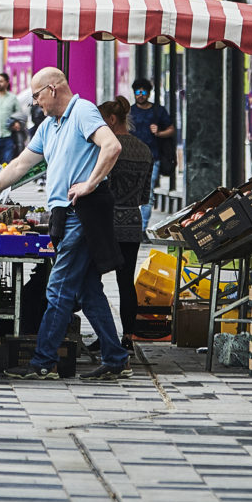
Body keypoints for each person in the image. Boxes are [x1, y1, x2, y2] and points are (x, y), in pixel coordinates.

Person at [0, 66, 129, 381]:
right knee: (88, 290)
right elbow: (19, 165)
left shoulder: (82, 111)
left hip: (82, 212)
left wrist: (90, 183)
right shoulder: (49, 126)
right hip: (63, 214)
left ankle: (42, 362)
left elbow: (112, 146)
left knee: (57, 288)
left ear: (54, 89)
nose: (35, 102)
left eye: (37, 95)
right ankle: (115, 357)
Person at [98, 98, 152, 347]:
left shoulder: (110, 148)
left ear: (111, 120)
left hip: (106, 222)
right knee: (125, 282)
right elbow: (144, 196)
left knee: (92, 279)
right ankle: (128, 337)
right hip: (132, 220)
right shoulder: (144, 150)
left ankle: (103, 335)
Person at [129, 78, 177, 194]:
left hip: (153, 158)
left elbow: (171, 130)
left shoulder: (158, 111)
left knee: (147, 192)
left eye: (144, 92)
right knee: (133, 192)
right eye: (138, 92)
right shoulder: (130, 112)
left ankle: (144, 212)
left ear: (149, 93)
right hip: (133, 158)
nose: (141, 95)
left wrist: (159, 133)